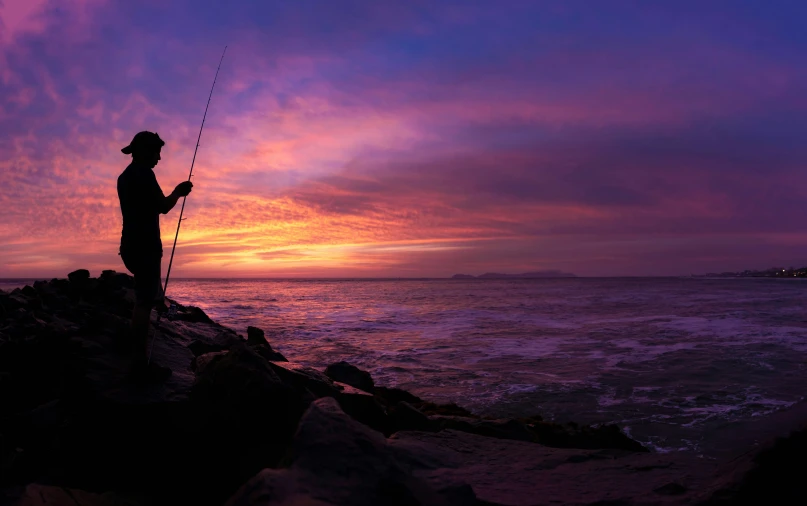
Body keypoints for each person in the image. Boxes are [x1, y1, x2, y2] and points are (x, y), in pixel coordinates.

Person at [117, 131, 193, 382]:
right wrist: (178, 192)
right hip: (145, 247)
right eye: (156, 152)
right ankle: (139, 364)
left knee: (146, 298)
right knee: (143, 303)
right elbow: (162, 206)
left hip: (129, 246)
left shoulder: (124, 177)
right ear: (143, 151)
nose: (159, 158)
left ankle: (135, 357)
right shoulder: (144, 173)